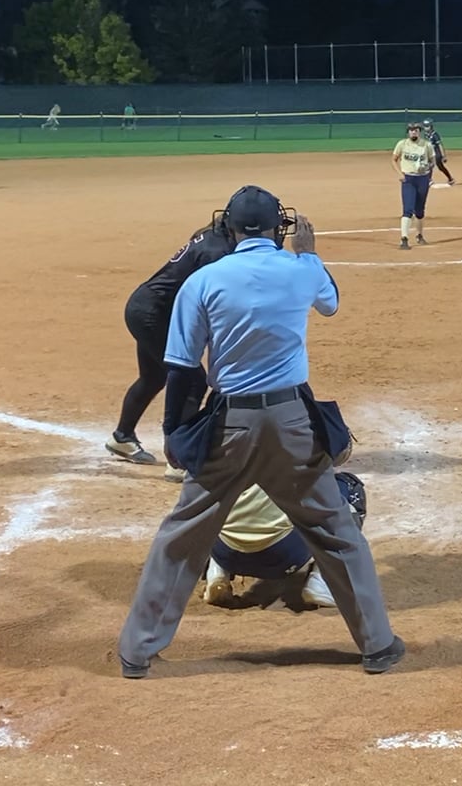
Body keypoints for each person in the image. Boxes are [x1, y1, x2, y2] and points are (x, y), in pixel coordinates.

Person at [116, 186, 402, 678]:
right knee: (336, 533)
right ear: (278, 228)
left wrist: (174, 434)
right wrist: (308, 254)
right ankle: (377, 646)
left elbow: (182, 368)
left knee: (181, 536)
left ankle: (137, 652)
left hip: (229, 425)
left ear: (228, 227)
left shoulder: (202, 281)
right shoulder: (301, 269)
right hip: (292, 424)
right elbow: (330, 304)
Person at [108, 222, 236, 470]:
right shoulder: (218, 253)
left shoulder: (213, 238)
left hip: (147, 307)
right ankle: (179, 459)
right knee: (193, 381)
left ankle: (122, 437)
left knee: (154, 377)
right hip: (154, 315)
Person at [198, 473, 369, 612]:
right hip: (283, 555)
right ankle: (322, 581)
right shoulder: (292, 441)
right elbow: (337, 454)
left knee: (211, 495)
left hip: (223, 552)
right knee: (346, 486)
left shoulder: (210, 444)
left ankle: (217, 572)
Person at [392, 123, 435, 250]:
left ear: (419, 132)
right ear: (408, 132)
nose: (413, 132)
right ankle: (404, 239)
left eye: (415, 130)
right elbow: (393, 159)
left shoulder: (426, 145)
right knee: (408, 209)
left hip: (422, 179)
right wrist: (400, 174)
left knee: (420, 210)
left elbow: (432, 161)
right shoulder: (402, 144)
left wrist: (427, 167)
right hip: (408, 179)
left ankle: (419, 235)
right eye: (411, 130)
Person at [421, 119, 457, 187]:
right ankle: (429, 180)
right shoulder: (426, 134)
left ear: (431, 126)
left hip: (437, 152)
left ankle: (450, 178)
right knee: (430, 165)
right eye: (425, 126)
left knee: (440, 167)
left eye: (427, 126)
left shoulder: (435, 134)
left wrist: (443, 155)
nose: (426, 128)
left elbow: (440, 145)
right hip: (430, 153)